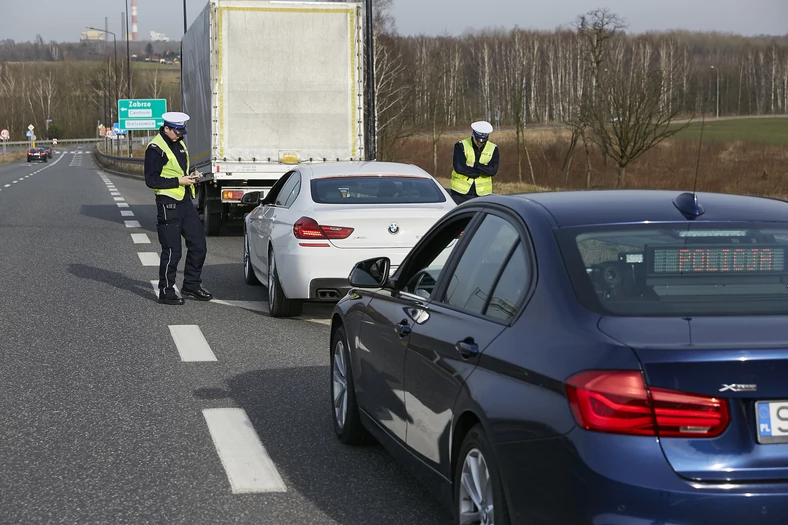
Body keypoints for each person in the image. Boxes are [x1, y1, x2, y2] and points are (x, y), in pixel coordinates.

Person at [144, 111, 213, 305]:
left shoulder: (179, 143)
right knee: (173, 251)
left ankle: (191, 285)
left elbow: (179, 170)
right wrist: (179, 181)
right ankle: (166, 291)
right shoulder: (155, 149)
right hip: (168, 204)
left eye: (182, 131)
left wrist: (191, 175)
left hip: (185, 202)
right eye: (177, 131)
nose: (181, 135)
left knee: (199, 245)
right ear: (166, 128)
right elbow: (151, 180)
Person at [449, 121, 500, 204]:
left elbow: (492, 171)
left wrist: (475, 165)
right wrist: (480, 172)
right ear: (473, 134)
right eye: (478, 140)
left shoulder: (493, 148)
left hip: (483, 194)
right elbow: (459, 167)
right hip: (460, 193)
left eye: (483, 141)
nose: (480, 143)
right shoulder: (460, 145)